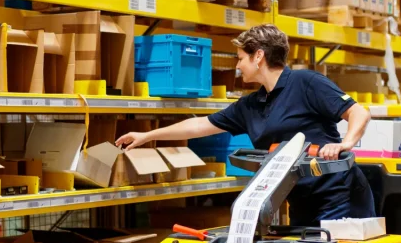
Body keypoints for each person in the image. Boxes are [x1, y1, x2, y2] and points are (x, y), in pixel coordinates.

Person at [116, 24, 375, 226]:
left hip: (339, 194)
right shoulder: (251, 104)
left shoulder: (306, 83)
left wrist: (344, 144)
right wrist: (148, 135)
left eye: (241, 58)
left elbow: (358, 113)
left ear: (258, 56)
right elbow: (198, 126)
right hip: (298, 197)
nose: (238, 66)